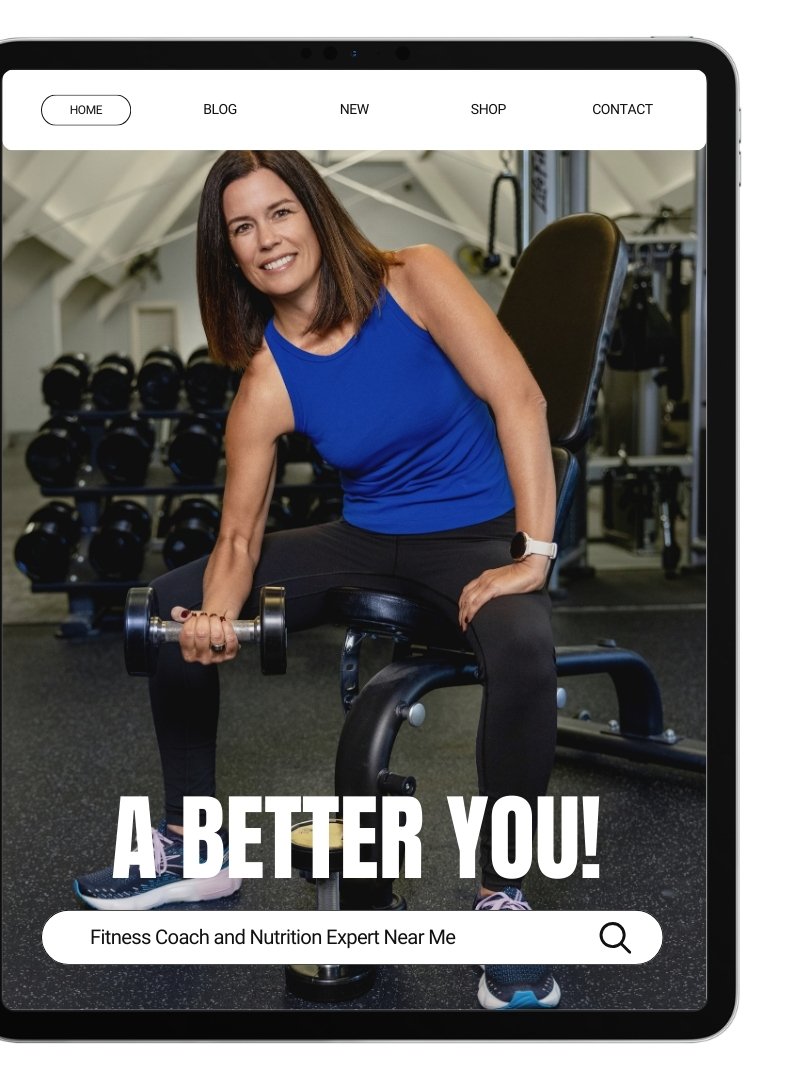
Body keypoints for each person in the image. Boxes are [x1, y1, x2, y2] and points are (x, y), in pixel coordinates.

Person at [72, 150, 563, 1011]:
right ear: (228, 253)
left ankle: (504, 895)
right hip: (365, 535)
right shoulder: (266, 379)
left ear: (316, 213)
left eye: (280, 213)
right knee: (170, 602)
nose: (266, 239)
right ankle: (194, 848)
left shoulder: (414, 278)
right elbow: (237, 535)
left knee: (524, 647)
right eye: (242, 227)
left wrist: (533, 555)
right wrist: (212, 622)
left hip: (476, 535)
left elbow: (520, 398)